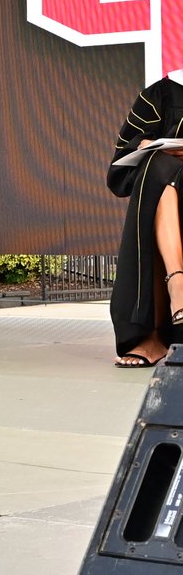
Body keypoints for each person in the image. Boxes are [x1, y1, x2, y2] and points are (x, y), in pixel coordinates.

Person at [107, 76, 183, 368]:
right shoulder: (162, 94)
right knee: (156, 164)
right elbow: (122, 165)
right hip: (168, 191)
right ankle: (156, 326)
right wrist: (148, 145)